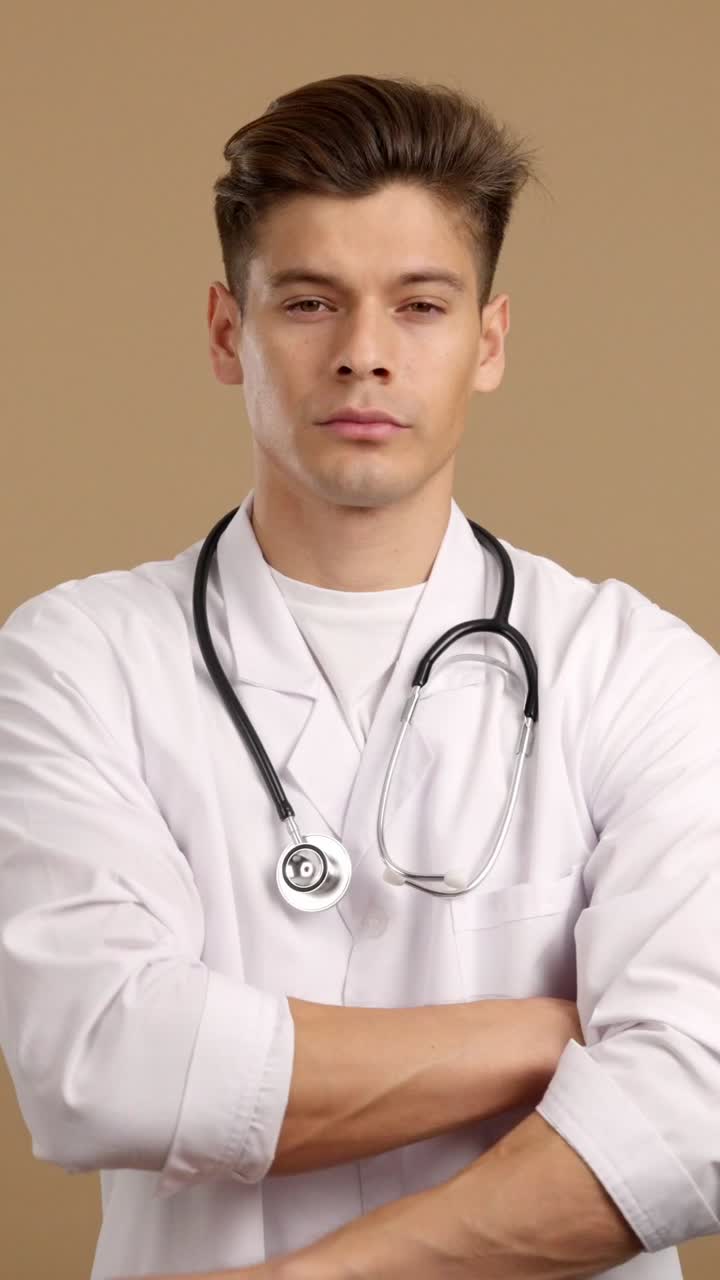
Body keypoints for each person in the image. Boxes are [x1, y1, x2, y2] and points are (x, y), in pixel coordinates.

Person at [1, 71, 719, 1280]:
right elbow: (99, 1063)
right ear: (230, 332)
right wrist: (554, 1034)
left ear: (488, 342)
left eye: (421, 305)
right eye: (310, 302)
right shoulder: (74, 661)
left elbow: (695, 1109)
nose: (365, 356)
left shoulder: (638, 671)